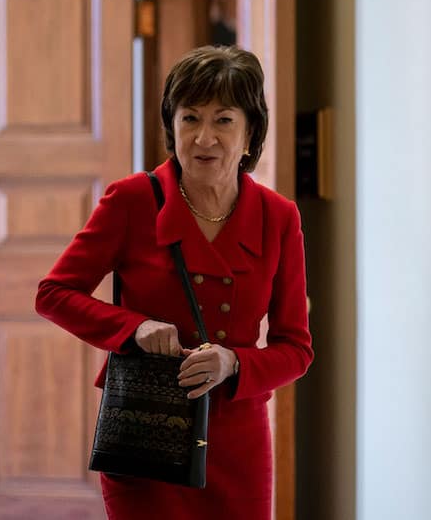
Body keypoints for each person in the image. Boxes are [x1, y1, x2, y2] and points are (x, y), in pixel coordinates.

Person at [35, 45, 313, 520]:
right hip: (147, 433)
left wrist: (233, 363)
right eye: (190, 118)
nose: (204, 138)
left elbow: (296, 349)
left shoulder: (279, 218)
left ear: (250, 133)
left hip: (237, 443)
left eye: (223, 120)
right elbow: (54, 294)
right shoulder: (132, 201)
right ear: (172, 126)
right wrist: (134, 328)